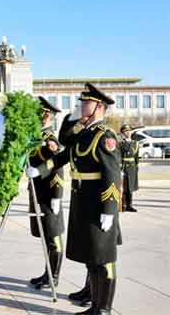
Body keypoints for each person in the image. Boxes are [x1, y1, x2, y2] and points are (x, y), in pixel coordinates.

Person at [51, 83, 122, 315]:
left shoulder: (105, 136)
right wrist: (40, 169)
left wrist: (109, 210)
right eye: (81, 102)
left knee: (103, 258)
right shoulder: (84, 133)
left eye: (86, 103)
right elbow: (64, 143)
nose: (81, 105)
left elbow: (112, 175)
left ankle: (104, 309)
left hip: (98, 204)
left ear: (99, 107)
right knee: (91, 255)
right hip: (82, 201)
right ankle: (94, 302)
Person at [24, 97, 65, 290]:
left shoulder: (50, 140)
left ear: (47, 115)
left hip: (49, 194)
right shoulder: (36, 137)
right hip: (38, 192)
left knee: (53, 235)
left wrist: (57, 195)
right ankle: (47, 273)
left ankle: (53, 276)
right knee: (46, 236)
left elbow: (58, 167)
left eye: (39, 112)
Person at [119, 125, 139, 212]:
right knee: (123, 187)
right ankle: (123, 205)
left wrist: (136, 166)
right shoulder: (120, 144)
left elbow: (136, 157)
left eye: (129, 131)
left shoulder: (135, 143)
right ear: (122, 134)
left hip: (132, 167)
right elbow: (118, 156)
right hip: (123, 166)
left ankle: (129, 205)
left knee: (130, 187)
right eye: (125, 131)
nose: (128, 133)